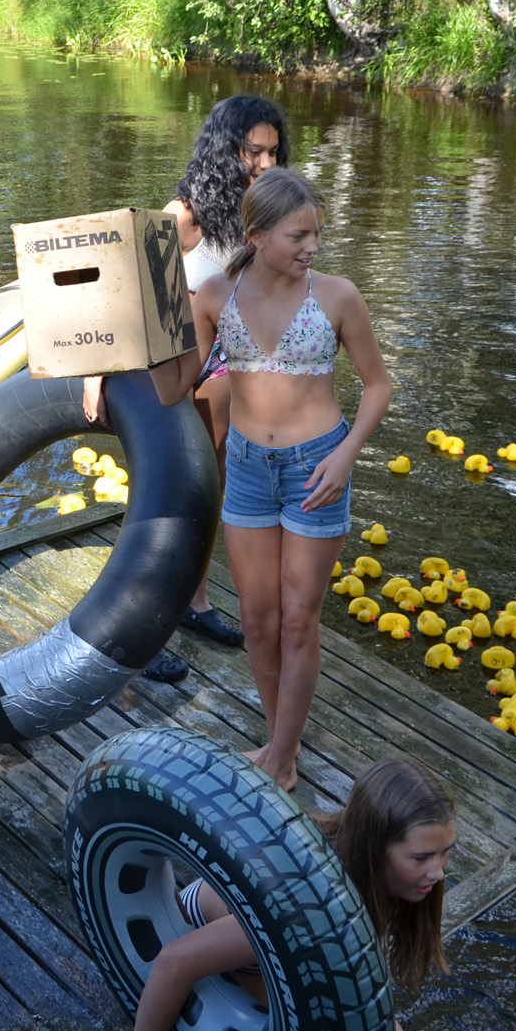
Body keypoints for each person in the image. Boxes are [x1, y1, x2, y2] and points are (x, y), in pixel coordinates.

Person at [152, 168, 391, 791]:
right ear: (256, 235)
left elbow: (378, 386)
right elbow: (175, 387)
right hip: (249, 471)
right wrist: (147, 331)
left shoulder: (337, 296)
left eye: (316, 233)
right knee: (257, 618)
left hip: (318, 466)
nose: (312, 246)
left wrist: (346, 458)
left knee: (296, 619)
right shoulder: (213, 298)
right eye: (298, 235)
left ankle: (283, 759)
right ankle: (277, 738)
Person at [86, 94, 290, 677]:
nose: (268, 164)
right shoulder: (182, 216)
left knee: (210, 492)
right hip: (169, 375)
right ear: (227, 150)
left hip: (224, 370)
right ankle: (135, 629)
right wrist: (99, 370)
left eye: (275, 152)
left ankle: (194, 604)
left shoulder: (252, 215)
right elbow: (121, 289)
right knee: (162, 498)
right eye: (256, 152)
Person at [128, 755, 456, 1031]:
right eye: (421, 857)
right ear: (373, 849)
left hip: (270, 965)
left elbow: (362, 992)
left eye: (445, 851)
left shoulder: (378, 884)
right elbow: (174, 963)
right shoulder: (300, 903)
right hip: (201, 948)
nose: (438, 871)